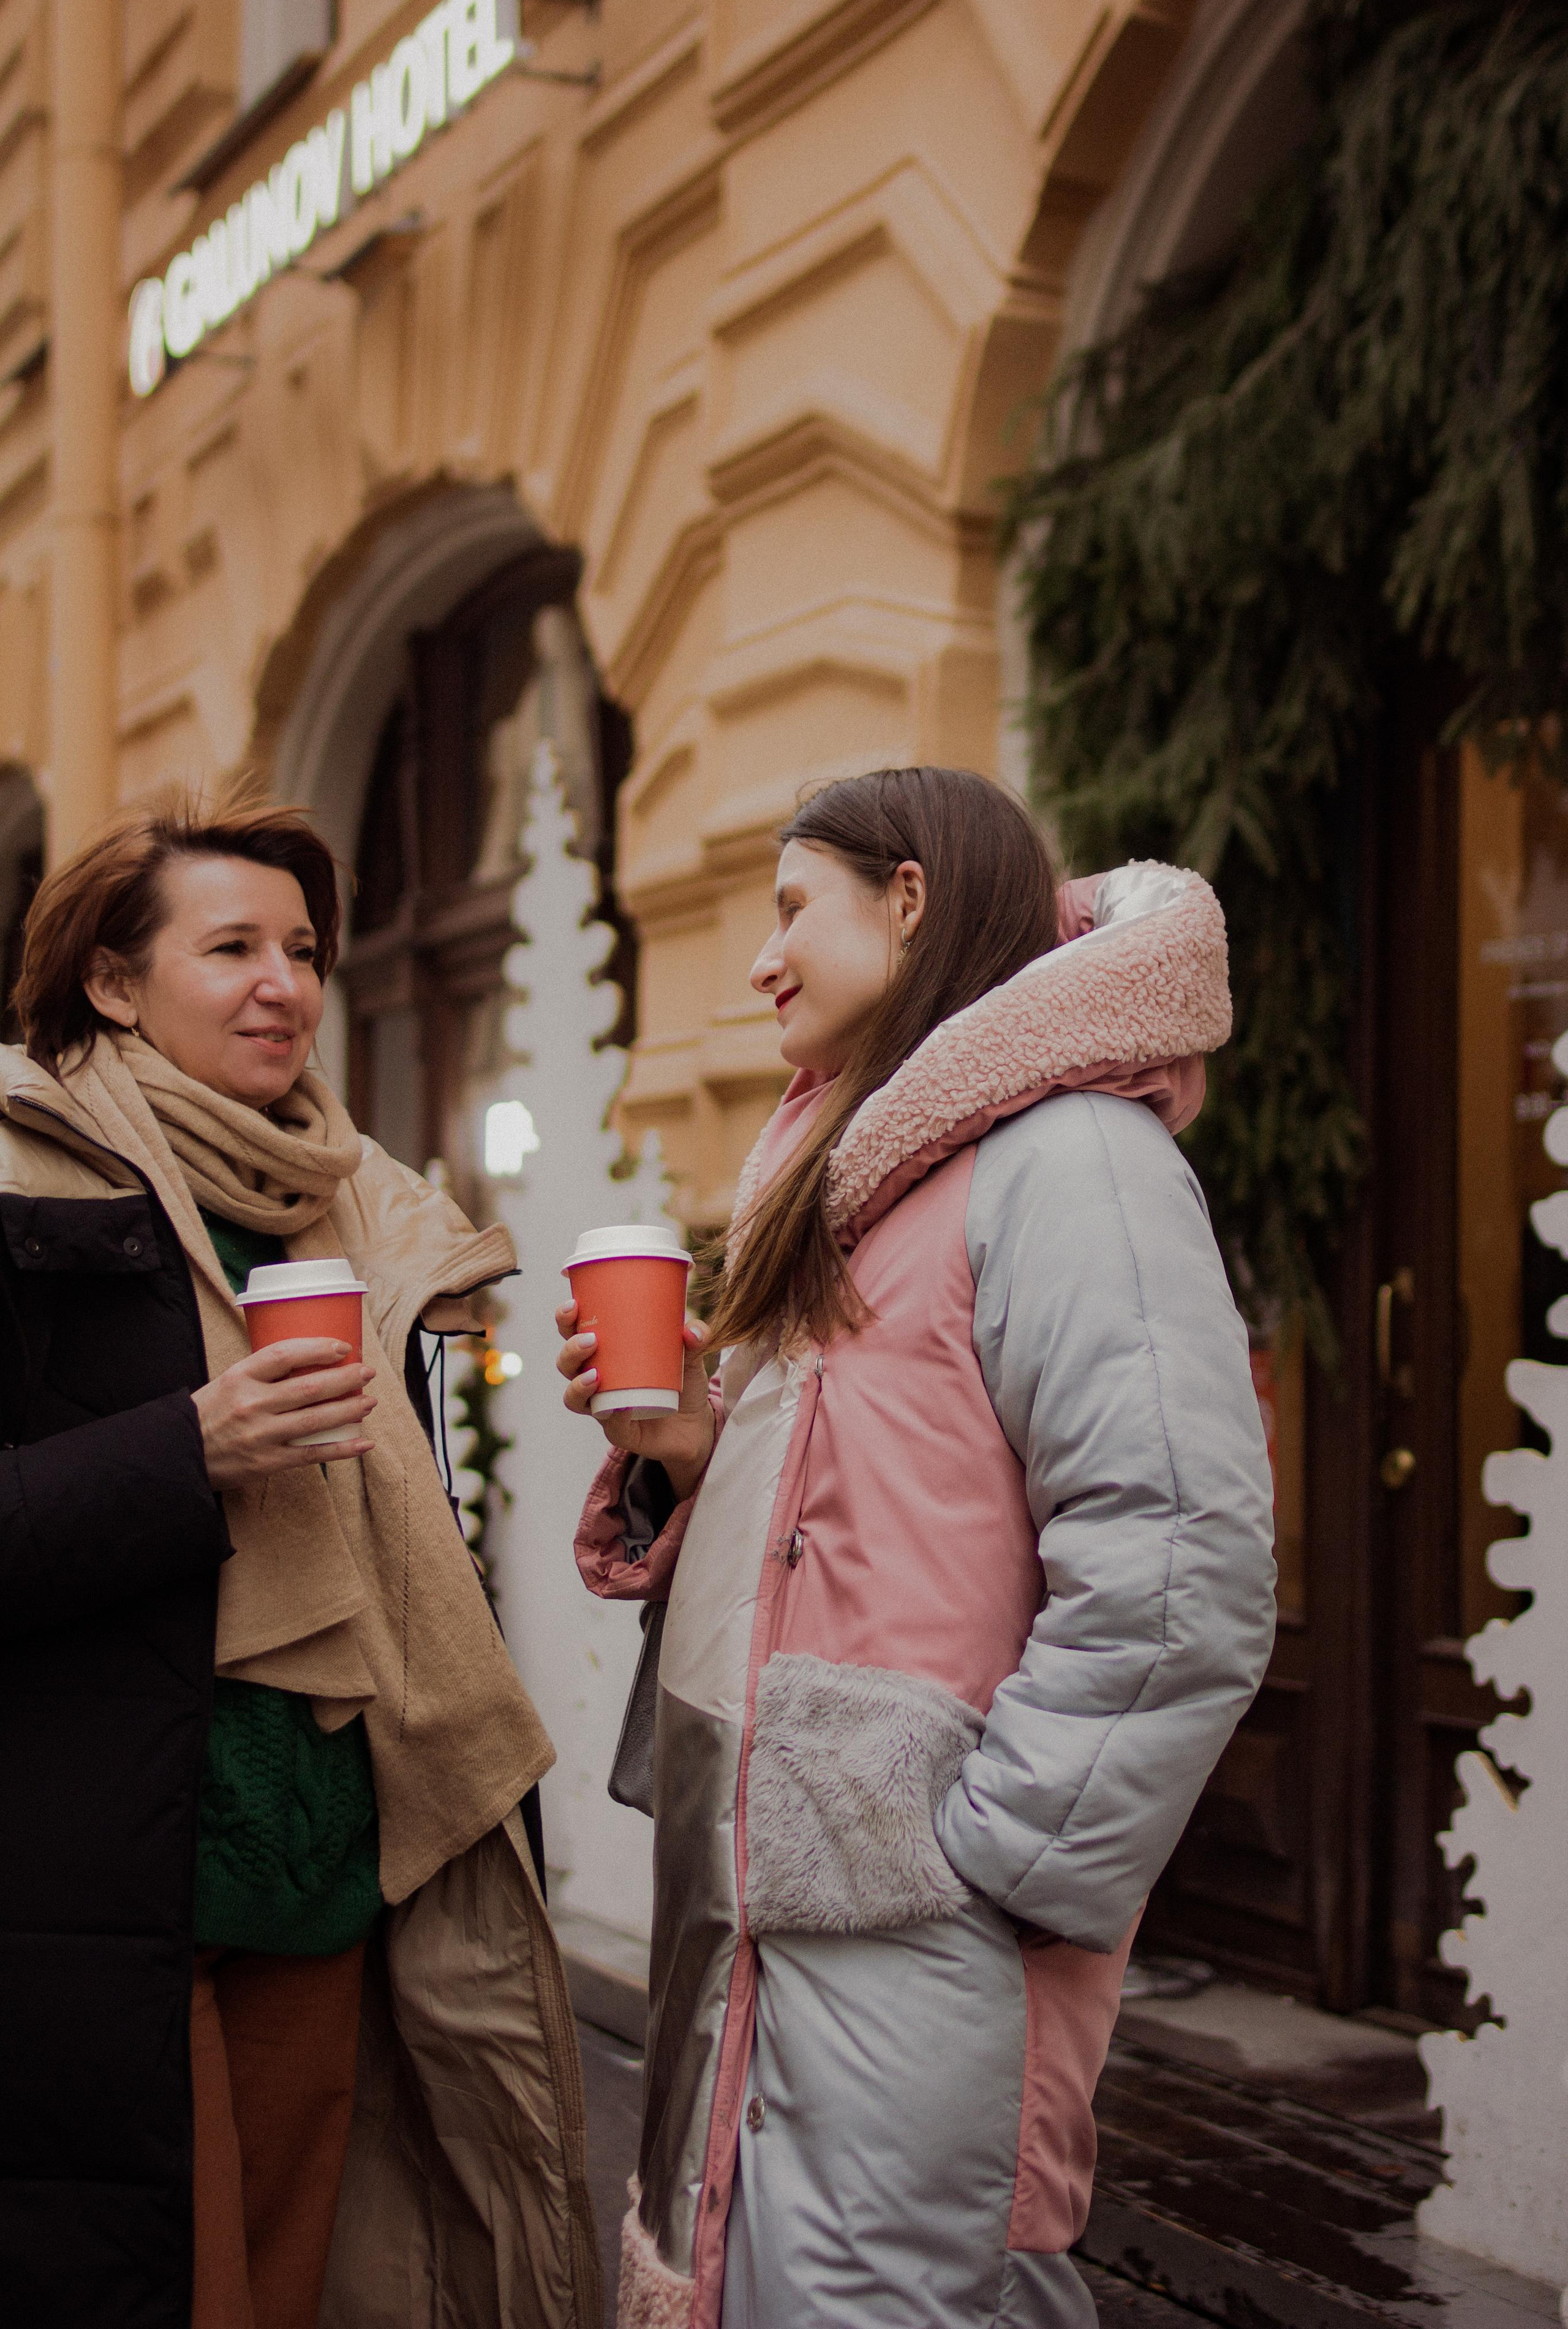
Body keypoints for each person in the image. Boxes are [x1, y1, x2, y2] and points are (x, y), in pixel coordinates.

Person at [558, 766, 1276, 2329]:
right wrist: (686, 1452)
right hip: (766, 1909)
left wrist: (994, 1864)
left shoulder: (1070, 1159)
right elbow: (849, 1523)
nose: (761, 960)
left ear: (908, 900)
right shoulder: (862, 1172)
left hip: (920, 1921)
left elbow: (1181, 1573)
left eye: (790, 910)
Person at [0, 796, 599, 2329]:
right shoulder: (20, 1175)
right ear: (112, 981)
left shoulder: (350, 1201)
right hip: (105, 1873)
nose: (286, 985)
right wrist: (184, 1450)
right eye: (232, 949)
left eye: (306, 951)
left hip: (324, 1852)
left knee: (294, 2293)